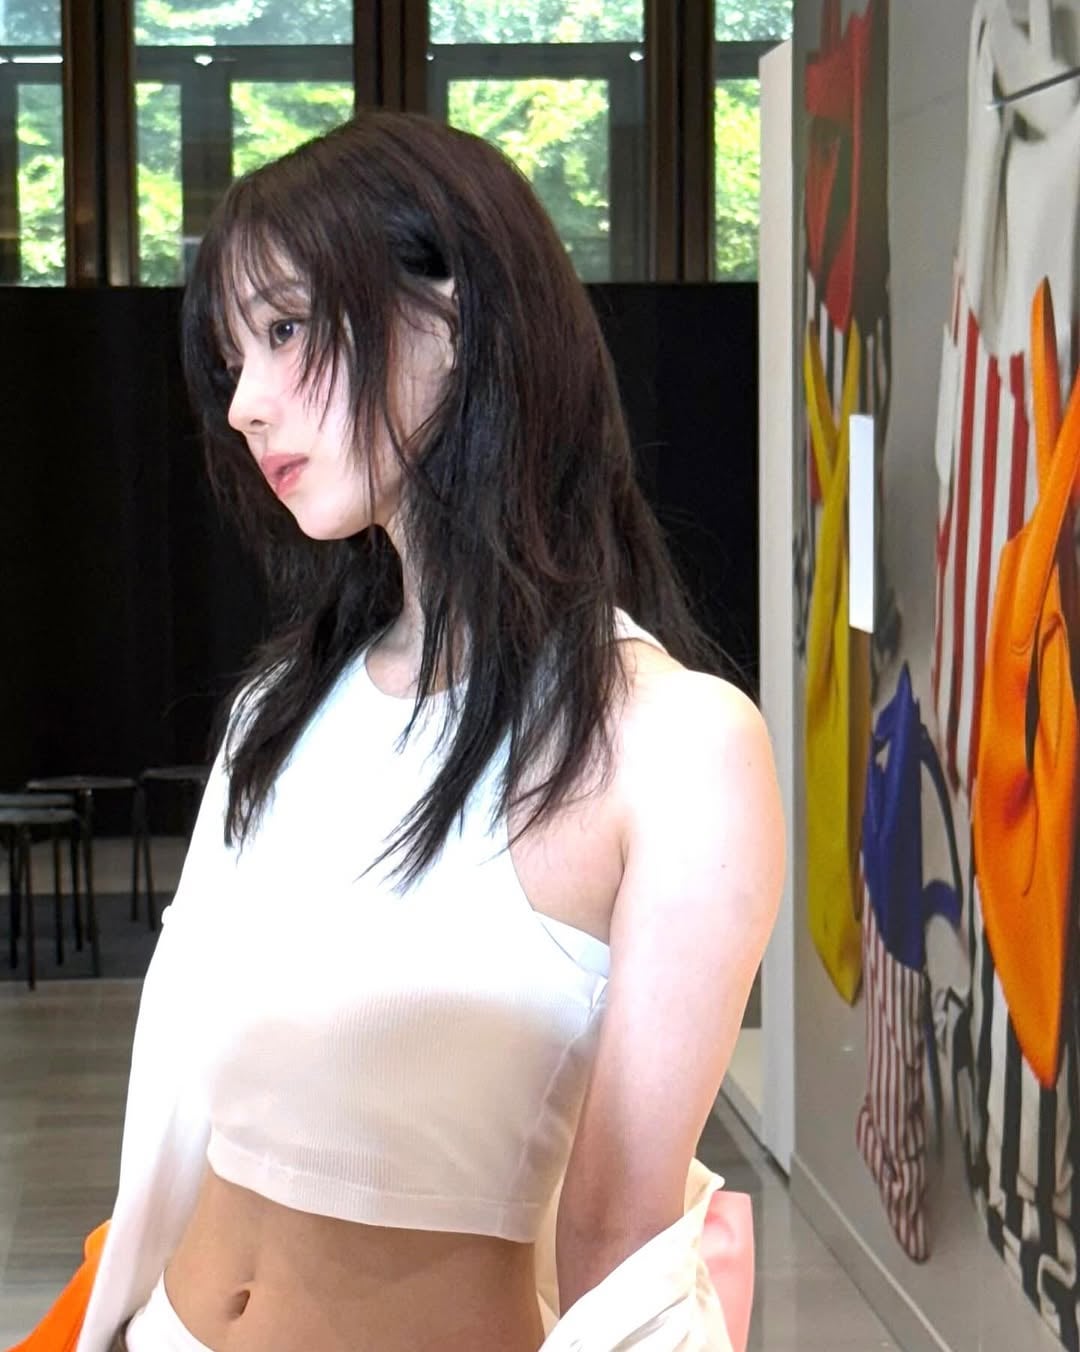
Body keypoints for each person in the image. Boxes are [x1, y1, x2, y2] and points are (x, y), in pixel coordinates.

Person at [68, 111, 783, 1352]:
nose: (244, 405)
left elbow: (618, 1239)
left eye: (286, 330)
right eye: (233, 357)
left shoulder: (673, 745)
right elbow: (187, 1108)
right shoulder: (281, 707)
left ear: (455, 314)